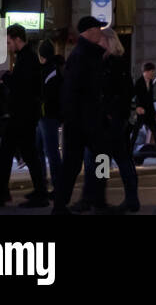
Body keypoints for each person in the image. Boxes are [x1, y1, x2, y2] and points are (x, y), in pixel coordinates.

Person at [0, 24, 49, 207]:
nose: (7, 44)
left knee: (17, 153)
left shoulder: (27, 58)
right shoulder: (27, 57)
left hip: (23, 114)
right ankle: (28, 192)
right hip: (24, 114)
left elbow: (23, 87)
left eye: (9, 41)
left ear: (17, 39)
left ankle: (9, 193)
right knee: (21, 153)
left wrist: (5, 77)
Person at [52, 17, 109, 215]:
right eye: (97, 28)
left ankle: (93, 200)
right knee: (90, 160)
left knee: (82, 163)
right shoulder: (83, 56)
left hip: (84, 121)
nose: (100, 32)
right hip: (84, 122)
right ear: (89, 31)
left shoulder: (86, 54)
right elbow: (74, 91)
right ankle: (93, 202)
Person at [96, 28, 141, 213]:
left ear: (108, 41)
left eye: (100, 41)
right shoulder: (108, 62)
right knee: (108, 159)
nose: (97, 44)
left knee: (117, 159)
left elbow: (123, 92)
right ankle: (103, 197)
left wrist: (110, 112)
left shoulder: (115, 63)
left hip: (113, 120)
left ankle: (125, 198)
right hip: (110, 119)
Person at [37, 39, 64, 198]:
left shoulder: (49, 71)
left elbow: (46, 95)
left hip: (48, 116)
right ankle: (46, 184)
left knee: (50, 151)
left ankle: (56, 186)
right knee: (44, 150)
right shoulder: (53, 70)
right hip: (47, 116)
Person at [130, 62, 156, 152]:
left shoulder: (150, 82)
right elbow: (133, 97)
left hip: (149, 112)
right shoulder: (139, 83)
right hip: (141, 111)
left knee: (154, 130)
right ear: (146, 72)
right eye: (151, 72)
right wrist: (136, 108)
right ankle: (130, 149)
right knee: (135, 131)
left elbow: (150, 99)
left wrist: (154, 112)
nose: (153, 74)